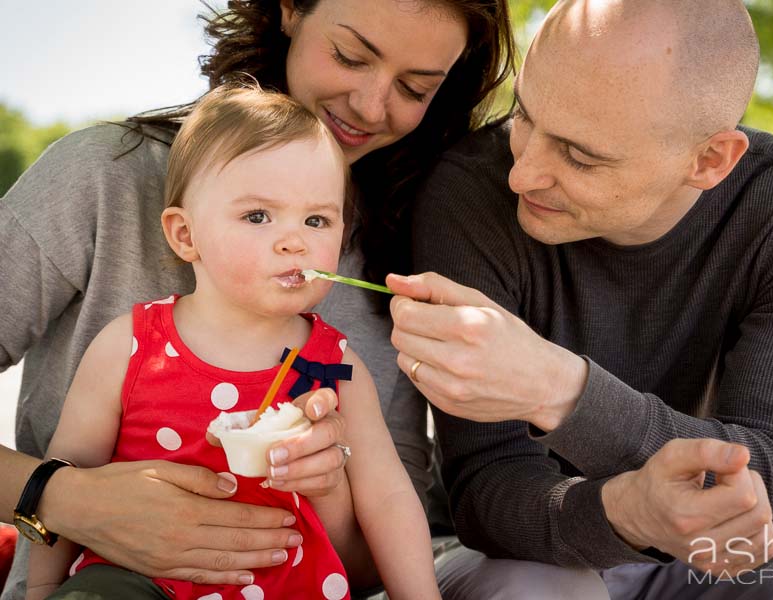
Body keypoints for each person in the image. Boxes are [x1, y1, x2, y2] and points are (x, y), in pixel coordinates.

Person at [1, 1, 513, 598]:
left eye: (414, 86)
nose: (372, 107)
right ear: (290, 8)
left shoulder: (369, 292)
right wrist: (64, 499)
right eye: (351, 56)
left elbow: (379, 538)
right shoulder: (105, 184)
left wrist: (329, 489)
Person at [388, 0, 773, 596]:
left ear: (709, 161)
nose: (522, 174)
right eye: (524, 117)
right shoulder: (470, 192)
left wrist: (561, 390)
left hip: (694, 553)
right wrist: (626, 512)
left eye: (580, 156)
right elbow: (486, 496)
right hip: (516, 556)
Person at [24, 85, 439, 600]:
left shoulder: (334, 367)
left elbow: (389, 498)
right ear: (185, 235)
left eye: (317, 220)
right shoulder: (129, 345)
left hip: (291, 586)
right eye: (258, 216)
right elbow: (64, 474)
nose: (295, 240)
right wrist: (41, 589)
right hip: (135, 581)